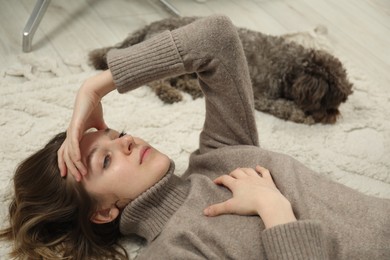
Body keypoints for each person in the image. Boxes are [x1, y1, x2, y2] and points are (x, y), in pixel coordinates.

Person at [1, 15, 389, 260]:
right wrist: (274, 210)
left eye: (114, 134)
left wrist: (99, 85)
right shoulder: (174, 249)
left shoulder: (219, 152)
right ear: (103, 212)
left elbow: (216, 38)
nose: (126, 141)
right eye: (105, 160)